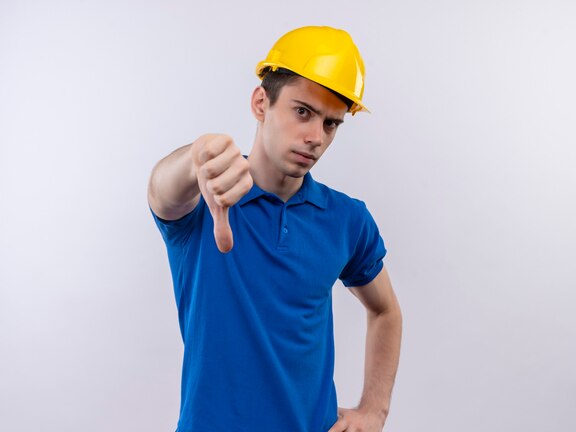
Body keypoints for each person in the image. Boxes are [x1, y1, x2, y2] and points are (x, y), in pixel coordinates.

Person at [148, 26, 402, 432]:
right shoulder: (206, 200)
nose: (316, 137)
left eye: (331, 124)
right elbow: (163, 191)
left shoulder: (347, 219)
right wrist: (194, 158)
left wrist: (374, 409)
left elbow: (385, 310)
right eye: (303, 111)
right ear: (261, 102)